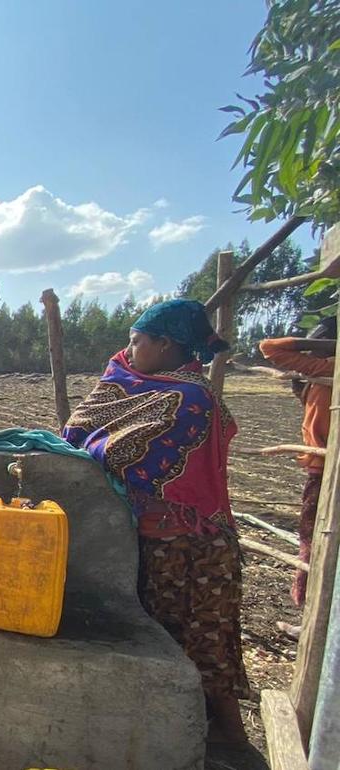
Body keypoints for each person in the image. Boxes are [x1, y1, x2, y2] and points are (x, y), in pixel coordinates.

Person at [62, 299, 249, 745]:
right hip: (156, 537)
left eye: (137, 341)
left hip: (191, 544)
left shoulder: (189, 397)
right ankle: (190, 731)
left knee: (203, 638)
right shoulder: (144, 385)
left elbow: (121, 451)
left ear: (165, 344)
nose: (128, 351)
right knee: (164, 632)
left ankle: (229, 738)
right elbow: (80, 425)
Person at [259, 317, 336, 637]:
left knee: (317, 541)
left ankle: (315, 626)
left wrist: (324, 345)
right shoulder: (325, 369)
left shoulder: (331, 364)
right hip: (321, 466)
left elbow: (269, 348)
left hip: (326, 469)